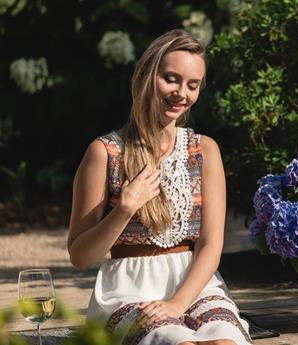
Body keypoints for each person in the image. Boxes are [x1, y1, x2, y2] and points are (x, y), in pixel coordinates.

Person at [67, 29, 252, 345]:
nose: (182, 92)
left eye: (192, 85)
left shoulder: (204, 150)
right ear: (146, 77)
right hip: (127, 292)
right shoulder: (105, 152)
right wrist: (124, 209)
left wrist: (179, 303)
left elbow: (210, 244)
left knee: (224, 342)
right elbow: (80, 256)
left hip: (195, 286)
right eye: (171, 79)